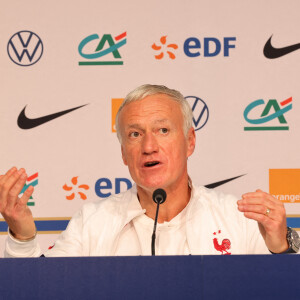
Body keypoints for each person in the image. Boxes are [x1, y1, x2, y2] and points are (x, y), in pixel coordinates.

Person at [0, 84, 298, 257]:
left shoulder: (240, 219)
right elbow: (40, 290)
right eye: (134, 134)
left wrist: (282, 246)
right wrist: (22, 236)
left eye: (163, 130)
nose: (149, 146)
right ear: (123, 153)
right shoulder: (92, 222)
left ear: (190, 141)